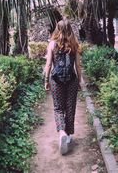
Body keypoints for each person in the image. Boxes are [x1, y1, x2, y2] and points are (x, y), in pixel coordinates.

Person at [44, 19, 82, 155]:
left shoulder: (52, 44)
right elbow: (77, 66)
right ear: (70, 29)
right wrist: (80, 82)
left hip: (56, 80)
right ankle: (69, 136)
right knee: (70, 107)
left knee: (58, 108)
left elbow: (48, 65)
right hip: (71, 80)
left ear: (57, 29)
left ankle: (61, 133)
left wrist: (46, 81)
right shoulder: (74, 44)